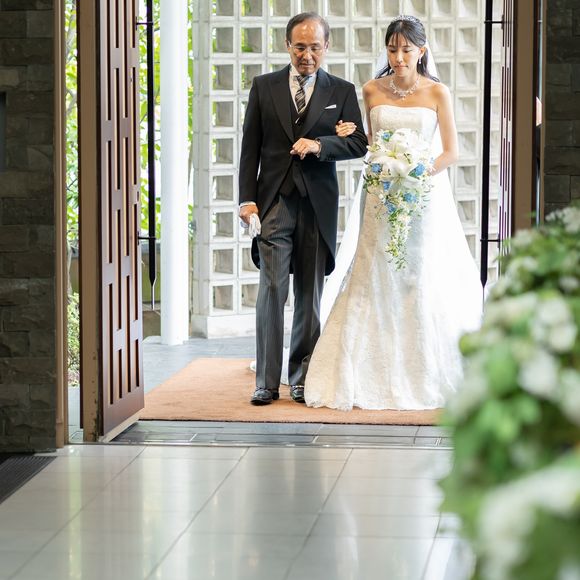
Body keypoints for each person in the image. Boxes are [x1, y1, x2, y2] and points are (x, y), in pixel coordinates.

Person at [304, 15, 483, 411]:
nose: (399, 58)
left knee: (416, 274)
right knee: (374, 271)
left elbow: (451, 152)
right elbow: (369, 145)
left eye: (406, 50)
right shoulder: (371, 90)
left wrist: (416, 172)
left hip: (421, 196)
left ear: (422, 51)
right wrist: (357, 142)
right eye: (392, 50)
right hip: (379, 195)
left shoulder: (437, 92)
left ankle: (422, 368)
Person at [239, 12, 368, 405]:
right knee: (272, 289)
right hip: (275, 202)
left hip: (317, 206)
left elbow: (359, 143)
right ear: (287, 46)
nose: (307, 55)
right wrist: (247, 199)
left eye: (314, 47)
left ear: (326, 47)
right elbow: (249, 149)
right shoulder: (264, 87)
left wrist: (321, 145)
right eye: (299, 47)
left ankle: (301, 377)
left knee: (309, 294)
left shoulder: (342, 91)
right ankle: (266, 381)